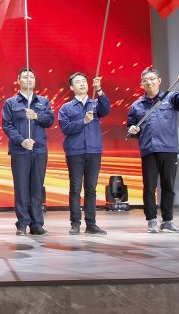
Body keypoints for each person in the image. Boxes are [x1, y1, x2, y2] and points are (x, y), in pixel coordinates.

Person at [127, 68, 179, 234]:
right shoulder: (137, 105)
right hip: (148, 150)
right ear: (142, 84)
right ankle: (151, 220)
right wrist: (133, 130)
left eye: (152, 79)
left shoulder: (170, 98)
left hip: (168, 148)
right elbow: (130, 128)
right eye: (145, 80)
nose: (149, 82)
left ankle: (167, 221)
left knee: (168, 186)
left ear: (159, 80)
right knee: (149, 187)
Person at [2, 68, 55, 236]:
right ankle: (22, 223)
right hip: (20, 150)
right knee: (21, 187)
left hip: (39, 149)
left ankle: (36, 224)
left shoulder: (43, 102)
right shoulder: (11, 103)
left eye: (32, 77)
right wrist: (22, 141)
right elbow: (7, 126)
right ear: (18, 81)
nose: (29, 79)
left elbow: (50, 120)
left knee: (37, 187)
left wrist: (37, 116)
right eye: (25, 77)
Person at [57, 73, 110, 235]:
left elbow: (106, 109)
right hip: (75, 152)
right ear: (71, 87)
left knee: (91, 189)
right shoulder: (66, 108)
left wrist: (99, 90)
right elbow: (65, 128)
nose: (82, 84)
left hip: (94, 151)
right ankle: (75, 223)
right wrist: (83, 121)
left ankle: (91, 224)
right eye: (78, 82)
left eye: (84, 81)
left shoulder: (95, 104)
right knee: (75, 188)